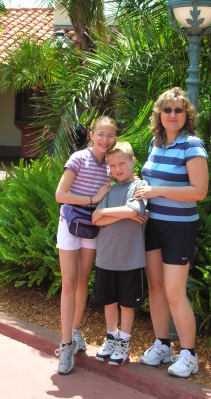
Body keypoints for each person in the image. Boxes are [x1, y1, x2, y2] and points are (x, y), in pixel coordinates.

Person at [134, 87, 208, 378]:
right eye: (168, 110)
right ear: (159, 115)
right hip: (153, 224)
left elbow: (199, 191)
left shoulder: (193, 145)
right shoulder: (156, 143)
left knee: (175, 291)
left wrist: (157, 190)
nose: (173, 115)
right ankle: (163, 345)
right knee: (156, 288)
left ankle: (189, 354)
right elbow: (152, 179)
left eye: (179, 110)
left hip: (179, 227)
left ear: (186, 115)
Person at [54, 116, 117, 375]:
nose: (104, 140)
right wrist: (93, 197)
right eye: (100, 134)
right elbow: (60, 195)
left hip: (91, 228)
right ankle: (66, 344)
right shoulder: (78, 158)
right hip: (70, 225)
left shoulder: (109, 166)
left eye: (110, 135)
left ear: (115, 138)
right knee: (69, 283)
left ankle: (75, 332)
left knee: (82, 281)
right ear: (91, 135)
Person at [91, 141, 148, 366]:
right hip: (106, 257)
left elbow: (134, 209)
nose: (116, 169)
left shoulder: (140, 186)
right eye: (111, 166)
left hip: (130, 259)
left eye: (121, 164)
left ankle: (124, 342)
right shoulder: (109, 189)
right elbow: (96, 218)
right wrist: (124, 213)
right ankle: (111, 337)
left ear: (132, 162)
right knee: (109, 301)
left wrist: (106, 213)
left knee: (126, 304)